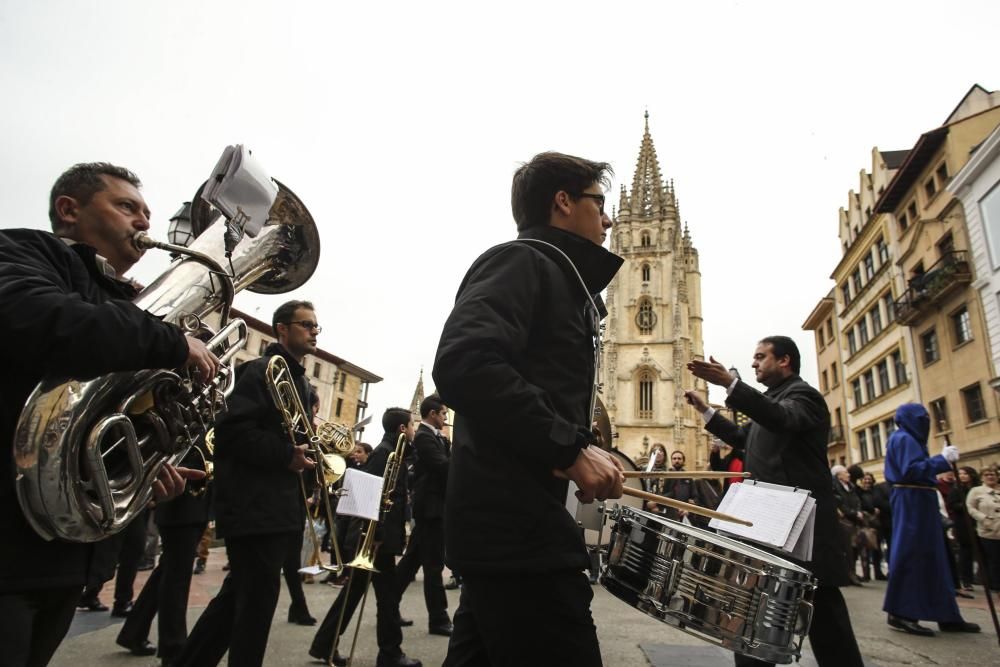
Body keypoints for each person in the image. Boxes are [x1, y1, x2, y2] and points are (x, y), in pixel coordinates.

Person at [0, 162, 213, 666]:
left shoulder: (122, 302)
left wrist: (139, 473)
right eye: (126, 207)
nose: (143, 223)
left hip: (62, 558)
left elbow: (100, 421)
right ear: (69, 211)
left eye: (146, 213)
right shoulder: (22, 249)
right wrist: (167, 339)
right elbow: (39, 320)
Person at [433, 151, 626, 667]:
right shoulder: (522, 261)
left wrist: (580, 444)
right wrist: (567, 447)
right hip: (521, 537)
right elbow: (464, 362)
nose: (608, 218)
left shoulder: (561, 277)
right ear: (563, 202)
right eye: (598, 203)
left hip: (515, 530)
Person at [685, 336, 864, 667]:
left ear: (784, 361)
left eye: (760, 357)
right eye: (753, 357)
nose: (754, 362)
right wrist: (705, 410)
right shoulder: (773, 400)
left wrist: (730, 383)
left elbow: (781, 419)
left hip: (801, 528)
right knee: (758, 612)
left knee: (825, 618)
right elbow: (743, 437)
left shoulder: (803, 397)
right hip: (770, 525)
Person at [174, 300, 322, 666]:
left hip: (276, 505)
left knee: (237, 600)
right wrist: (287, 454)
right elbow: (229, 434)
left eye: (317, 326)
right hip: (254, 505)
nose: (315, 331)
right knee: (254, 609)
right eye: (307, 325)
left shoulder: (299, 381)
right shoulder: (258, 372)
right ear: (282, 329)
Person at [310, 408, 421, 667]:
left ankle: (325, 644)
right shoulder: (384, 454)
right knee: (387, 597)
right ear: (402, 429)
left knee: (355, 594)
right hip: (374, 540)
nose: (414, 430)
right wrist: (378, 533)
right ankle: (390, 654)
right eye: (411, 426)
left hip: (373, 539)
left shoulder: (392, 452)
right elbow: (369, 496)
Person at [881, 402, 980, 636]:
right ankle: (901, 612)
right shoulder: (903, 438)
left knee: (937, 557)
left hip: (921, 499)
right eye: (921, 417)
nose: (926, 420)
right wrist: (941, 460)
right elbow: (910, 470)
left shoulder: (912, 440)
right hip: (910, 498)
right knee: (912, 553)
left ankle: (945, 613)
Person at [116, 446, 211, 663]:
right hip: (179, 501)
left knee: (169, 568)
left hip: (195, 502)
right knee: (177, 575)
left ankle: (134, 632)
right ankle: (173, 647)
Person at [396, 395, 453, 636]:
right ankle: (438, 620)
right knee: (433, 565)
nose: (445, 418)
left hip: (434, 507)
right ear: (432, 414)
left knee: (410, 563)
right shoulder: (424, 437)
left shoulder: (434, 437)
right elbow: (442, 467)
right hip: (431, 509)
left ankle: (387, 606)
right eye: (442, 414)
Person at [967, 465, 1000, 593]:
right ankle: (994, 584)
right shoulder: (976, 491)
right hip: (988, 530)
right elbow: (970, 507)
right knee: (993, 559)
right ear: (982, 477)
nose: (990, 477)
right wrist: (983, 518)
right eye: (987, 475)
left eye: (993, 474)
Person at [948, 466, 980, 592]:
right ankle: (966, 579)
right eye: (960, 474)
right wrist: (969, 506)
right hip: (963, 523)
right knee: (965, 551)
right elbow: (953, 505)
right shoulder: (956, 489)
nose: (962, 476)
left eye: (965, 473)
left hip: (978, 521)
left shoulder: (977, 488)